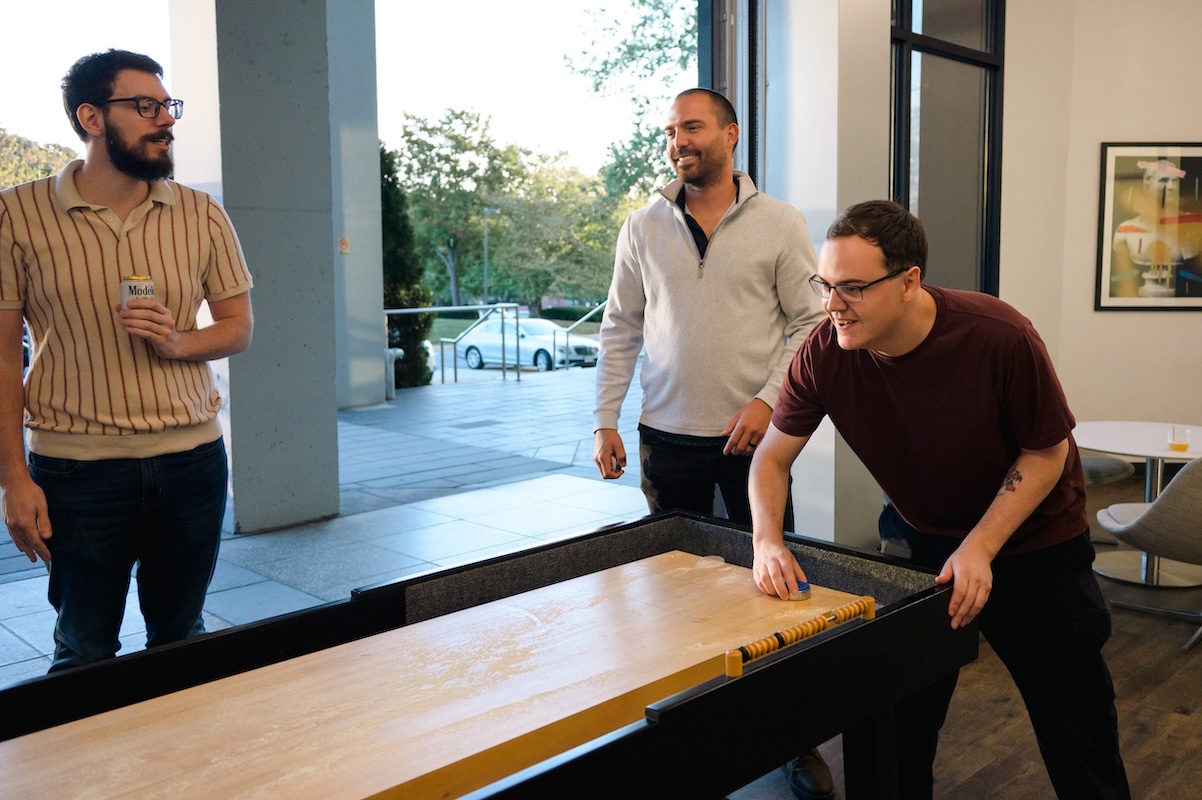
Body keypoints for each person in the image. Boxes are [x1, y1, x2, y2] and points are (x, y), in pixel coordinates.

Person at [749, 200, 1130, 799]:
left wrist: (980, 547)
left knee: (1078, 734)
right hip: (920, 540)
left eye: (852, 288)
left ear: (908, 281)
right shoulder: (824, 352)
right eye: (824, 285)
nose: (831, 305)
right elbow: (771, 458)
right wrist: (766, 540)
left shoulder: (1001, 335)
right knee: (893, 729)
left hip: (1037, 546)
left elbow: (1046, 452)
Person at [591, 87, 831, 800]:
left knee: (776, 592)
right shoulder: (641, 226)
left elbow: (811, 322)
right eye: (670, 131)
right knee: (675, 598)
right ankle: (692, 734)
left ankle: (794, 740)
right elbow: (619, 327)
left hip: (753, 446)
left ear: (730, 134)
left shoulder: (781, 223)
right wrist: (605, 419)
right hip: (665, 442)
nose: (678, 142)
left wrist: (768, 400)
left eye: (691, 127)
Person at [0, 49, 254, 672]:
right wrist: (13, 482)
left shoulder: (202, 213)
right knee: (83, 650)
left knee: (182, 639)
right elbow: (4, 361)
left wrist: (179, 342)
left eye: (168, 106)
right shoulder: (15, 214)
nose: (166, 119)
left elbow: (238, 328)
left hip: (192, 464)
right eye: (145, 106)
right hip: (75, 472)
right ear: (91, 117)